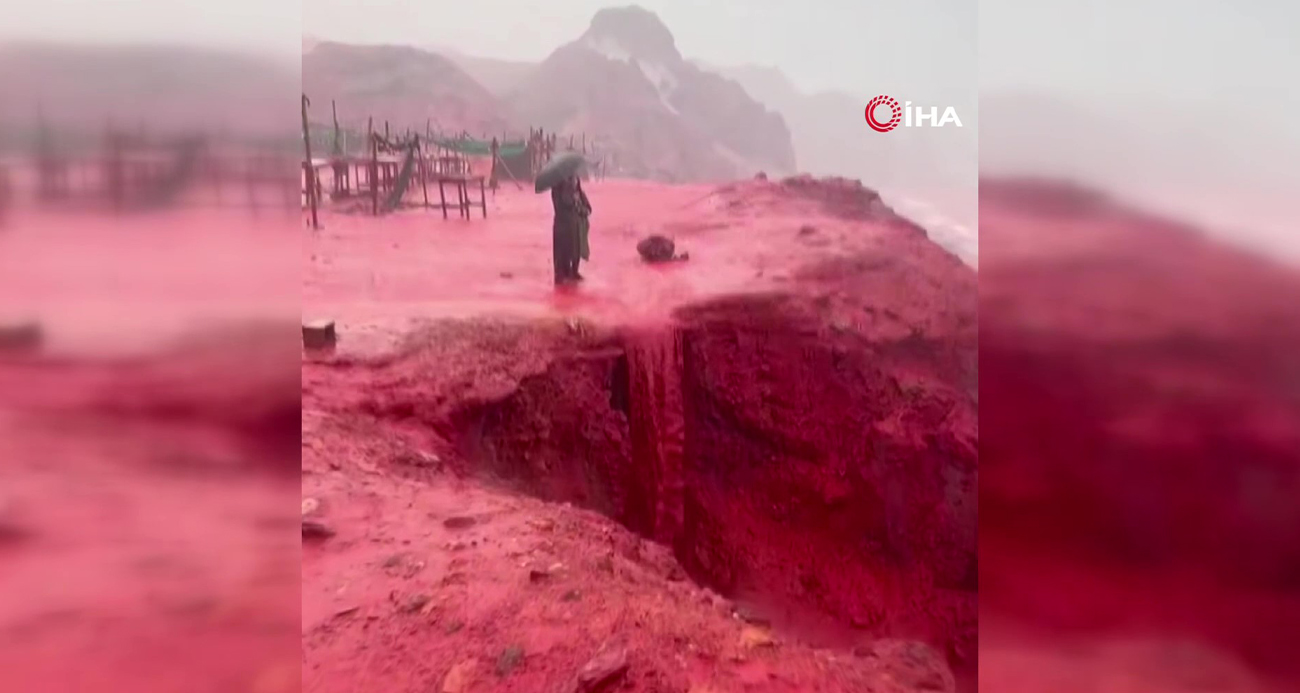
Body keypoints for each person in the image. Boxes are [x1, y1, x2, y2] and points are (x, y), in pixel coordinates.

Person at [551, 173, 592, 284]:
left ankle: (573, 271)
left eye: (575, 181)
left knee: (575, 250)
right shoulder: (558, 189)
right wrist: (574, 201)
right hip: (563, 225)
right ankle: (562, 273)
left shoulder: (579, 193)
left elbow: (588, 209)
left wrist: (579, 207)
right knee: (563, 251)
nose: (574, 183)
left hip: (576, 225)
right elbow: (562, 204)